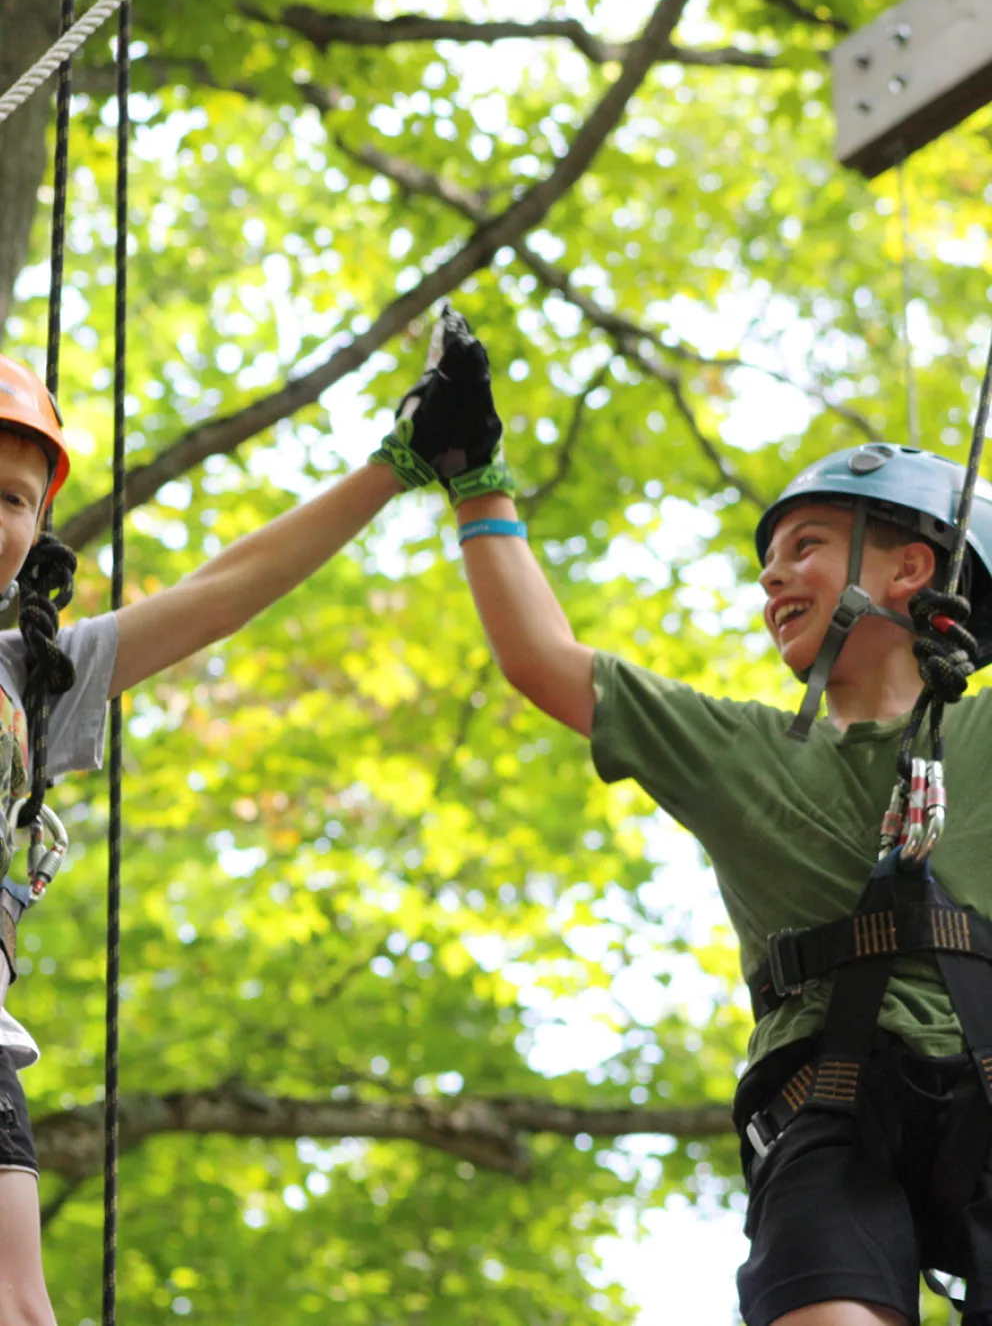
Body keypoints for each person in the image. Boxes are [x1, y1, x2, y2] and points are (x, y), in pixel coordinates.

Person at [421, 308, 992, 1326]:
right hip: (827, 1112)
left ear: (912, 569)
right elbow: (544, 661)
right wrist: (475, 477)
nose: (771, 576)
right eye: (769, 561)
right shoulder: (743, 751)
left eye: (807, 547)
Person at [0, 338, 453, 1326]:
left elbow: (221, 593)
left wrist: (402, 460)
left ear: (36, 531)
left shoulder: (30, 681)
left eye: (13, 499)